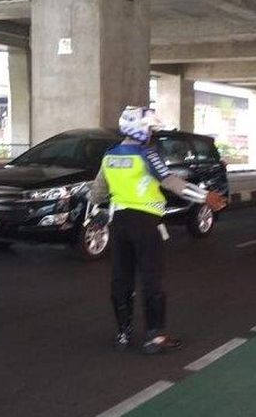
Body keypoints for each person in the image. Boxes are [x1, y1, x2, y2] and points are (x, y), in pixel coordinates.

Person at [90, 106, 227, 353]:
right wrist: (204, 196)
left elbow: (97, 192)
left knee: (121, 278)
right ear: (141, 130)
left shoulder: (109, 156)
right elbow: (172, 183)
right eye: (151, 129)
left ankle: (123, 334)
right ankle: (155, 336)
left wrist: (96, 218)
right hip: (145, 224)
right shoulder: (146, 155)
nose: (153, 134)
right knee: (151, 278)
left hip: (119, 224)